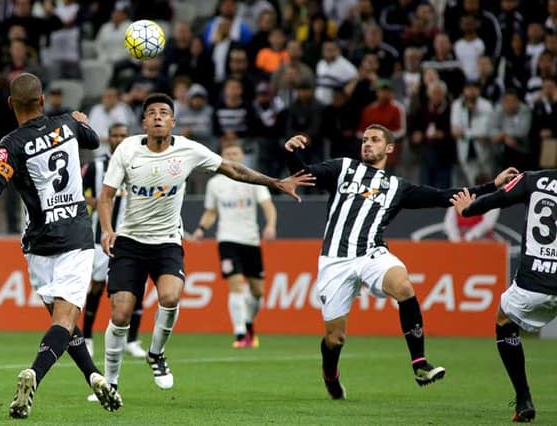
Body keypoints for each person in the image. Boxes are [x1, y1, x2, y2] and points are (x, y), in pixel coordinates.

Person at [0, 73, 122, 419]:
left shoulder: (12, 143)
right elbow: (94, 142)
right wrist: (81, 121)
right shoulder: (67, 123)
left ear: (10, 104)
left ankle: (93, 375)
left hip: (37, 244)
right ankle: (34, 373)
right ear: (41, 101)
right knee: (64, 323)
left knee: (61, 321)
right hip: (75, 237)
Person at [283, 124, 518, 400]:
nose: (367, 144)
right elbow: (305, 176)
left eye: (374, 140)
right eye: (364, 139)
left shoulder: (397, 187)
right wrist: (289, 153)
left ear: (390, 148)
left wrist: (494, 185)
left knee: (404, 288)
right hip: (335, 260)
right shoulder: (343, 168)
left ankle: (419, 364)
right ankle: (330, 375)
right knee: (335, 338)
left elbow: (444, 195)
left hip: (372, 254)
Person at [98, 93, 313, 393]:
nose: (158, 117)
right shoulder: (127, 149)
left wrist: (275, 183)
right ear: (144, 122)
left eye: (164, 112)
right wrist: (107, 229)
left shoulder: (188, 150)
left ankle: (156, 353)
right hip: (130, 240)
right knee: (120, 313)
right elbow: (106, 196)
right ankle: (109, 382)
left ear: (173, 122)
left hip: (167, 240)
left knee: (171, 297)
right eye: (152, 113)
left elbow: (234, 169)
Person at [450, 170, 557, 423]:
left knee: (504, 320)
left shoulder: (533, 179)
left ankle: (523, 398)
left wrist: (468, 209)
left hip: (534, 282)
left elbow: (497, 199)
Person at [192, 142, 276, 348]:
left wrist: (271, 225)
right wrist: (202, 228)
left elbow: (268, 206)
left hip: (251, 239)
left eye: (235, 153)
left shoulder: (253, 179)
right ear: (222, 157)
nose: (232, 156)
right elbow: (211, 211)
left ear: (242, 156)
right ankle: (239, 333)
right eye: (228, 153)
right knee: (236, 284)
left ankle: (248, 323)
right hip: (227, 239)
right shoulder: (215, 184)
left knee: (257, 292)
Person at [81, 123, 147, 361]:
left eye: (123, 135)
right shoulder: (97, 166)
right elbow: (77, 192)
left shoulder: (141, 162)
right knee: (97, 286)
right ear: (108, 138)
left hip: (133, 236)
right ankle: (87, 337)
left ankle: (133, 340)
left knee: (135, 288)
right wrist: (95, 202)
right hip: (102, 236)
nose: (119, 138)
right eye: (115, 135)